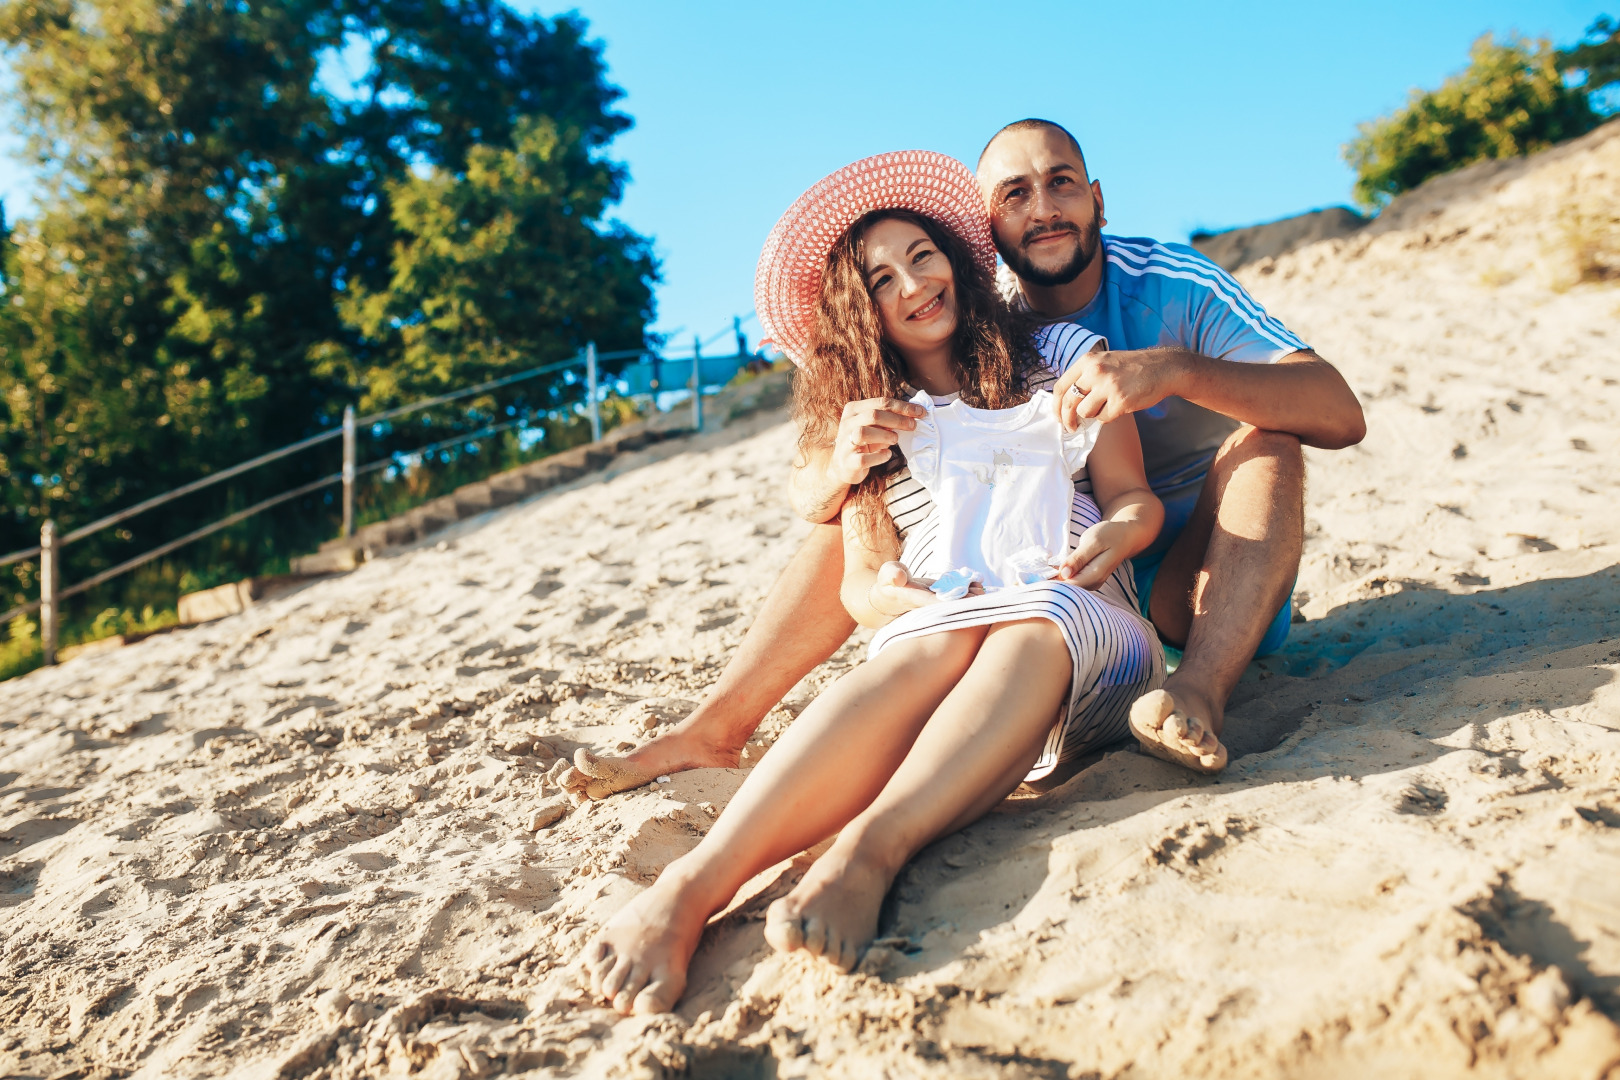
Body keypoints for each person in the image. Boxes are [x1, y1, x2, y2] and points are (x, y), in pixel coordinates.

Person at [561, 118, 1365, 799]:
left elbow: (1337, 410)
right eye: (1015, 195)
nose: (1044, 209)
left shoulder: (1170, 282)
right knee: (855, 501)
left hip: (1209, 576)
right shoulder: (979, 321)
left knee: (1267, 438)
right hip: (1058, 570)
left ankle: (1198, 691)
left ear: (1098, 198)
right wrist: (843, 469)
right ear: (986, 227)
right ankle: (715, 729)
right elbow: (818, 489)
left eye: (1062, 183)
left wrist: (1177, 369)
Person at [583, 152, 1164, 1015]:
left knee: (1033, 615)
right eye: (881, 278)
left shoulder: (1062, 357)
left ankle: (867, 855)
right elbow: (858, 583)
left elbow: (1133, 501)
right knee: (918, 649)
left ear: (957, 262)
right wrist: (893, 591)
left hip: (1082, 616)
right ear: (863, 311)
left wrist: (1110, 544)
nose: (912, 284)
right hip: (950, 617)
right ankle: (691, 888)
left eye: (922, 256)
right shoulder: (866, 423)